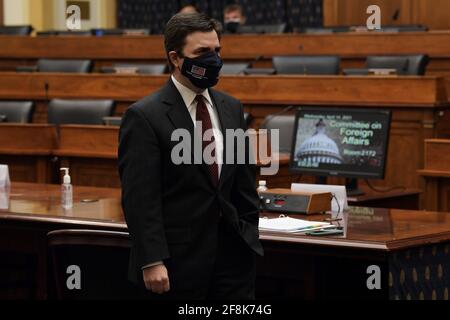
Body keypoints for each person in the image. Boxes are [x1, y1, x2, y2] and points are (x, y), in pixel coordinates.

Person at [118, 12, 263, 300]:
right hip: (176, 265)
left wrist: (249, 236)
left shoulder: (232, 108)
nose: (213, 59)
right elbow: (140, 197)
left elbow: (243, 184)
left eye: (217, 51)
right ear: (175, 58)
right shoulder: (145, 116)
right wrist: (152, 259)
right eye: (202, 52)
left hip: (233, 262)